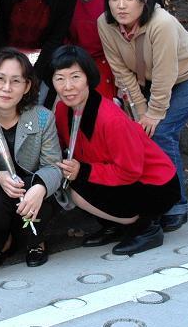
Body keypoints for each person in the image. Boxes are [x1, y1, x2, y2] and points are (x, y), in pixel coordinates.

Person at [98, 0, 188, 232]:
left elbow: (165, 73)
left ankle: (176, 205)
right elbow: (121, 71)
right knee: (141, 132)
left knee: (161, 132)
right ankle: (153, 199)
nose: (121, 5)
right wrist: (141, 113)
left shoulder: (161, 24)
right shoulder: (105, 24)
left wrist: (153, 114)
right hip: (149, 81)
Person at [51, 45, 181, 256]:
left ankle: (146, 228)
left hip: (156, 184)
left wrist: (83, 171)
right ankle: (115, 226)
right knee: (69, 183)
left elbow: (130, 170)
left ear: (88, 78)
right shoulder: (62, 110)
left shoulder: (111, 119)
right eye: (59, 79)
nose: (67, 86)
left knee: (77, 189)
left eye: (75, 77)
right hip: (119, 176)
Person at [0, 48, 62, 268]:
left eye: (16, 81)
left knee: (40, 192)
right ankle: (4, 242)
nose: (6, 88)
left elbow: (53, 166)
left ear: (27, 86)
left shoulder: (43, 117)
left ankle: (36, 242)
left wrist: (40, 188)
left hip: (31, 188)